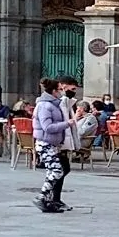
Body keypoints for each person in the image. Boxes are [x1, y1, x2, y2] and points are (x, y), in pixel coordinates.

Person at [32, 78, 82, 213]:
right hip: (46, 143)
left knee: (54, 171)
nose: (62, 92)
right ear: (54, 91)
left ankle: (48, 200)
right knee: (57, 171)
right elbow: (47, 127)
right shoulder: (45, 105)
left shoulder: (54, 104)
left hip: (53, 144)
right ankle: (42, 197)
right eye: (60, 90)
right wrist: (68, 123)